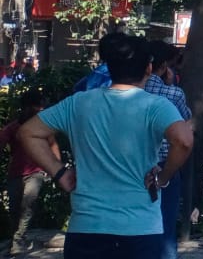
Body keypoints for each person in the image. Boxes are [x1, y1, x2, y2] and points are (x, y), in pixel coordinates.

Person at [19, 33, 192, 259]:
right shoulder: (157, 106)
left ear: (109, 67)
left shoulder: (79, 102)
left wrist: (59, 172)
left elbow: (28, 132)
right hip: (139, 228)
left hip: (87, 226)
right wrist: (163, 177)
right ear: (149, 68)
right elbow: (184, 140)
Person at [144, 41, 192, 259]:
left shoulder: (121, 94)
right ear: (163, 66)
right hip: (165, 167)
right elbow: (186, 131)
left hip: (130, 165)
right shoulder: (173, 94)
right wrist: (163, 178)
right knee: (165, 223)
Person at [0, 90, 59, 255]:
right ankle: (18, 238)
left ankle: (18, 240)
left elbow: (53, 145)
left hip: (36, 171)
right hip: (15, 173)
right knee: (14, 208)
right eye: (38, 105)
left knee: (28, 204)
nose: (41, 109)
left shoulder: (44, 127)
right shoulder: (12, 128)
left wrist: (57, 169)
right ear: (27, 107)